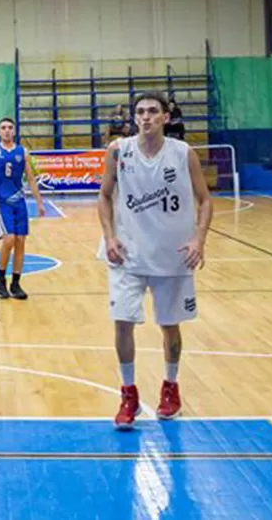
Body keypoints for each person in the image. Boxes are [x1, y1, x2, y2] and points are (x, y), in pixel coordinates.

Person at [97, 92, 213, 431]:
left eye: (152, 111)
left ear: (165, 117)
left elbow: (205, 200)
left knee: (170, 327)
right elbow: (104, 196)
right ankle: (128, 393)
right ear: (135, 118)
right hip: (127, 253)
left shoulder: (183, 154)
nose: (145, 117)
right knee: (122, 322)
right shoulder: (119, 151)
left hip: (173, 254)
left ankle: (170, 387)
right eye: (140, 112)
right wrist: (109, 236)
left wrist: (199, 239)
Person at [0, 117, 46, 300]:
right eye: (3, 127)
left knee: (21, 241)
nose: (7, 130)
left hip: (19, 201)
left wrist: (39, 202)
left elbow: (30, 179)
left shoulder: (23, 152)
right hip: (1, 202)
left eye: (10, 127)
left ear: (14, 131)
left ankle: (15, 283)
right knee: (9, 239)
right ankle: (0, 279)